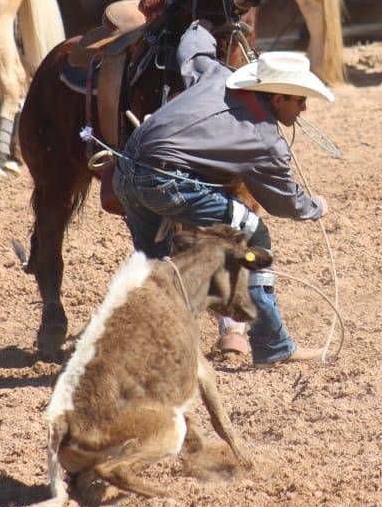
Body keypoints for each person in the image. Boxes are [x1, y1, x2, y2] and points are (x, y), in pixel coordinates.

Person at [113, 30, 333, 366]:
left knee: (152, 261)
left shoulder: (218, 75)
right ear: (277, 99)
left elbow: (193, 50)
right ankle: (273, 345)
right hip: (165, 183)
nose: (303, 109)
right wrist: (315, 207)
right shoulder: (265, 140)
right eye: (300, 101)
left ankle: (141, 348)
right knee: (255, 234)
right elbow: (283, 202)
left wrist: (199, 28)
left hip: (125, 171)